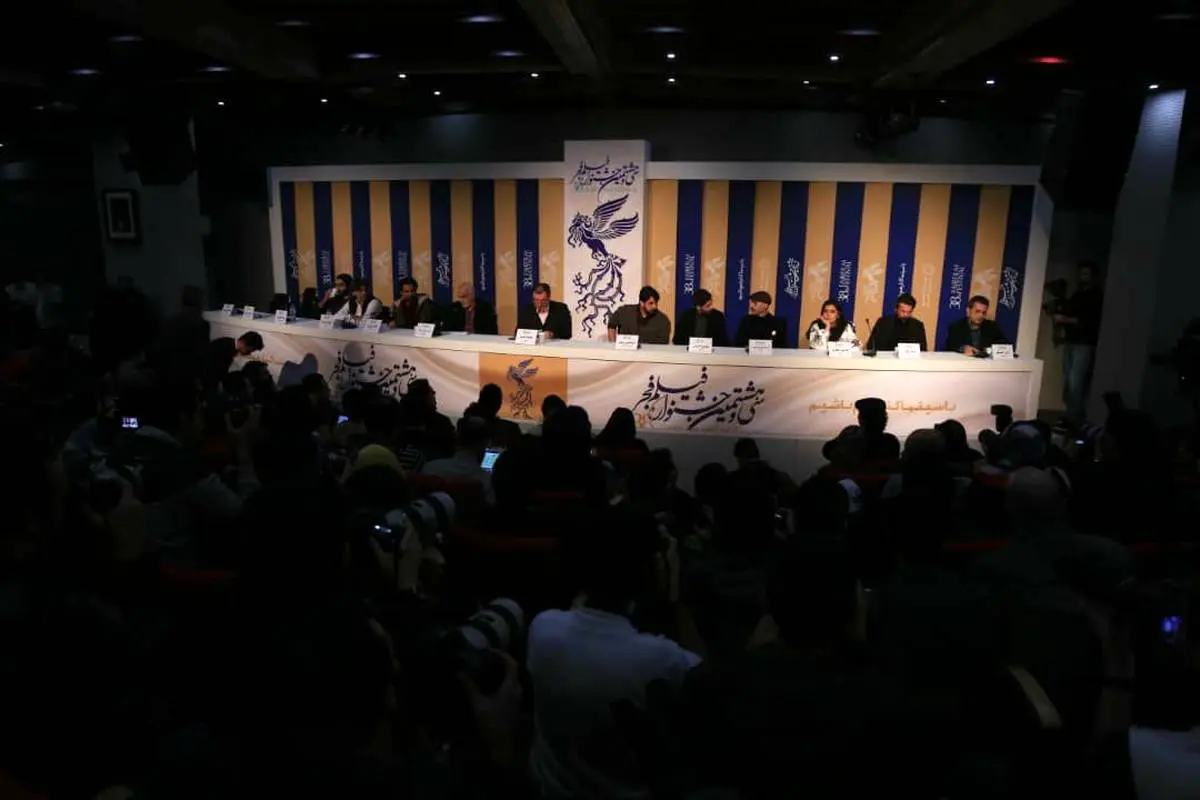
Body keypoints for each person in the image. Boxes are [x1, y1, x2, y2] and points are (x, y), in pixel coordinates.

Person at [1054, 261, 1104, 424]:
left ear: (1093, 277)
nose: (1082, 277)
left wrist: (1065, 319)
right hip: (1071, 341)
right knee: (1069, 381)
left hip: (1084, 343)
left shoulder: (1096, 296)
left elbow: (1089, 321)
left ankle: (1075, 419)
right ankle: (1071, 414)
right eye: (1080, 274)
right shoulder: (1077, 294)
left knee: (1077, 381)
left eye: (1086, 274)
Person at [943, 295, 1009, 355]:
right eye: (977, 311)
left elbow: (1004, 345)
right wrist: (963, 349)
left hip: (986, 363)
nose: (981, 315)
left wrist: (986, 351)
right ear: (968, 311)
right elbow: (950, 347)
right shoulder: (956, 327)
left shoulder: (992, 327)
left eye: (984, 312)